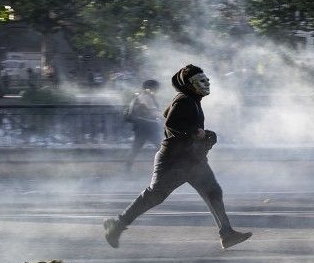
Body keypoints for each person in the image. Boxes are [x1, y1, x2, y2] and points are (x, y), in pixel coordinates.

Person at [103, 65, 252, 249]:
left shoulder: (191, 100)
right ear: (190, 84)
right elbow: (171, 122)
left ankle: (227, 234)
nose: (206, 83)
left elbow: (169, 118)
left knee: (213, 191)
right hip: (175, 160)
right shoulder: (184, 100)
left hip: (191, 158)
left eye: (206, 80)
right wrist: (196, 133)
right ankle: (117, 225)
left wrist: (202, 135)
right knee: (155, 195)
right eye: (201, 81)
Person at [123, 79, 162, 171]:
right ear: (151, 88)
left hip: (142, 126)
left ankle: (127, 169)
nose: (157, 90)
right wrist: (167, 117)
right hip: (147, 127)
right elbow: (153, 112)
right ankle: (165, 168)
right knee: (161, 148)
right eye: (156, 88)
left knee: (136, 148)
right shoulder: (146, 97)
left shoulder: (141, 96)